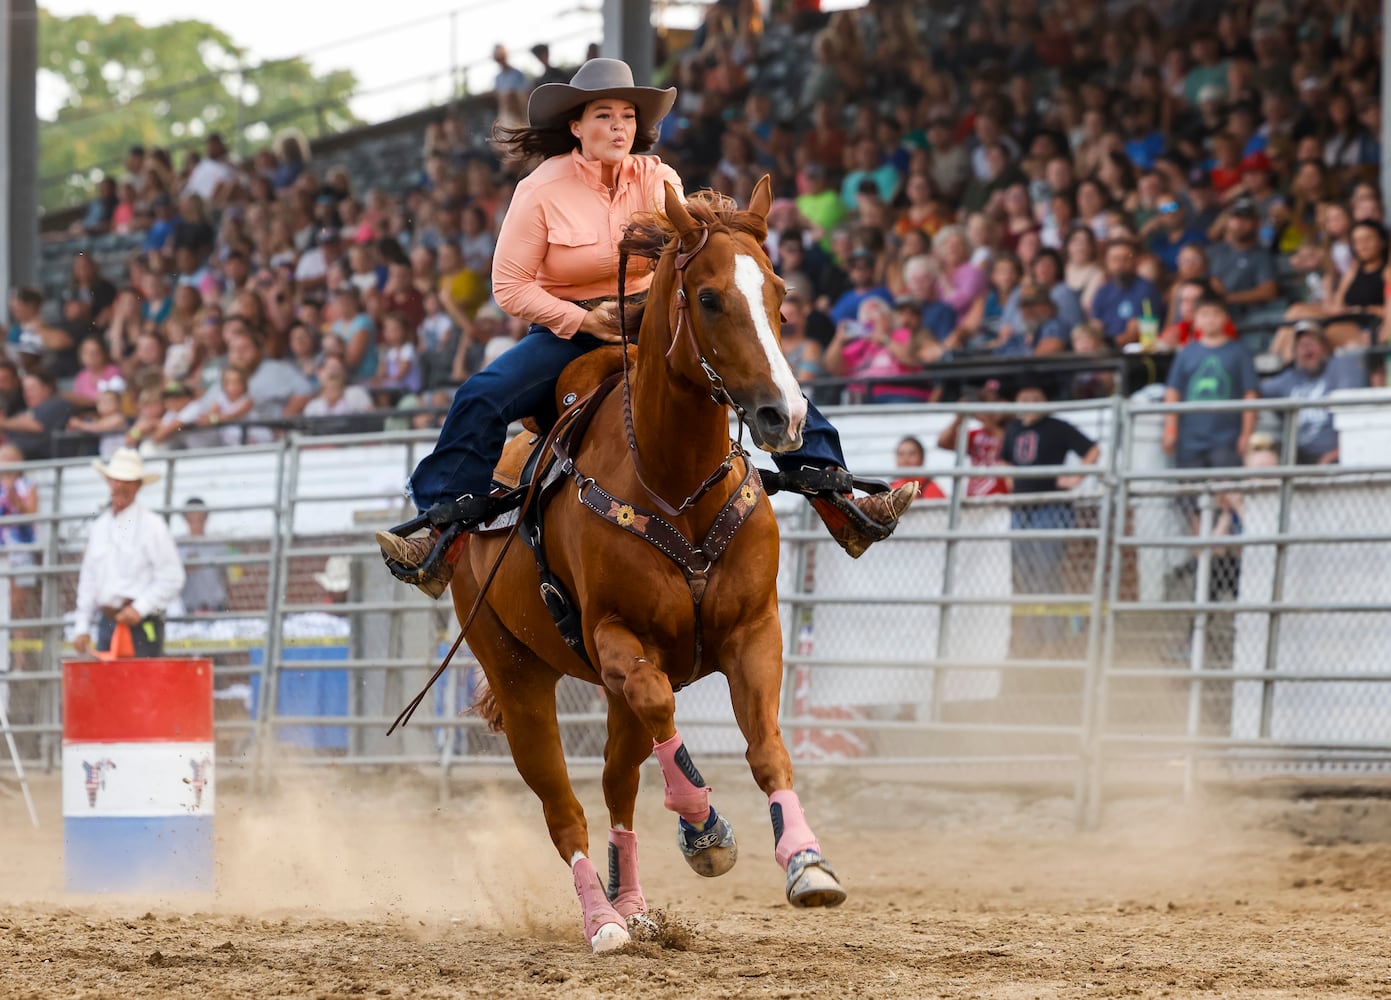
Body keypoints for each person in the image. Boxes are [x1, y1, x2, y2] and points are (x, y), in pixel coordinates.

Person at [377, 58, 917, 595]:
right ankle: (440, 535)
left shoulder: (659, 177)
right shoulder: (539, 189)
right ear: (576, 126)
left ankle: (840, 501)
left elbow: (688, 253)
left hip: (651, 319)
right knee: (482, 394)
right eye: (604, 115)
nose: (619, 127)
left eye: (628, 117)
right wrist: (584, 318)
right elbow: (509, 288)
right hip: (570, 329)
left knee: (763, 370)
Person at [1000, 382, 1100, 656]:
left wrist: (1075, 479)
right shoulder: (1013, 429)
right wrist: (1011, 484)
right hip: (1022, 508)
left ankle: (1055, 638)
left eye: (1035, 396)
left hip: (1051, 507)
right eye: (1024, 397)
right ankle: (1033, 640)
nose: (1029, 402)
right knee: (1025, 574)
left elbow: (1092, 450)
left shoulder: (1057, 426)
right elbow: (1004, 460)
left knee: (1047, 571)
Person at [72, 449, 185, 658]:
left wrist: (140, 608)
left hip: (142, 622)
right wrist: (82, 625)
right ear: (108, 480)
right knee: (111, 686)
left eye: (128, 480)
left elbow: (172, 577)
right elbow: (88, 578)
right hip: (108, 620)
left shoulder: (153, 526)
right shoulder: (99, 527)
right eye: (117, 479)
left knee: (141, 686)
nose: (120, 485)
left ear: (138, 485)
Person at [1163, 293, 1259, 484]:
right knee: (1189, 495)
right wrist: (1170, 430)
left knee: (1228, 493)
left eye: (1216, 313)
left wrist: (1246, 434)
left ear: (1225, 318)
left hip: (1227, 438)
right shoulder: (1186, 353)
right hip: (1189, 439)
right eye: (1204, 314)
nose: (1210, 319)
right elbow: (1173, 392)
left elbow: (1250, 394)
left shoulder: (1239, 352)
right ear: (1195, 320)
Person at [1259, 321, 1367, 464]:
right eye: (1301, 345)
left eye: (1312, 343)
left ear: (1324, 347)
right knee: (1262, 459)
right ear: (1294, 353)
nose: (1307, 349)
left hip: (1336, 455)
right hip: (1298, 455)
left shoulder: (1340, 367)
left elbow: (1354, 414)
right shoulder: (1289, 378)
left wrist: (1337, 452)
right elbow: (1254, 392)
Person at [176, 497, 229, 614]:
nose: (196, 522)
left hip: (217, 605)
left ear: (206, 518)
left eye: (200, 517)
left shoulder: (217, 544)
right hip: (189, 607)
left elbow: (226, 576)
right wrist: (185, 569)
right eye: (192, 518)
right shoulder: (178, 546)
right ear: (186, 519)